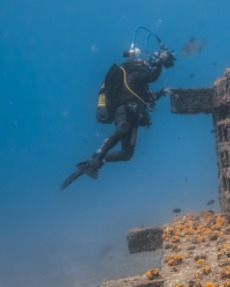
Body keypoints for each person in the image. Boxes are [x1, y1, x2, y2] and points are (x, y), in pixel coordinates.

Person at [60, 44, 175, 190]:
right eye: (144, 66)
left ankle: (100, 161)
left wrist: (163, 91)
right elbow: (152, 77)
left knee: (127, 154)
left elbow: (148, 97)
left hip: (135, 117)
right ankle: (97, 155)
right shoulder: (133, 76)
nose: (146, 68)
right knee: (122, 130)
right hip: (124, 111)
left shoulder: (140, 85)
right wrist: (159, 62)